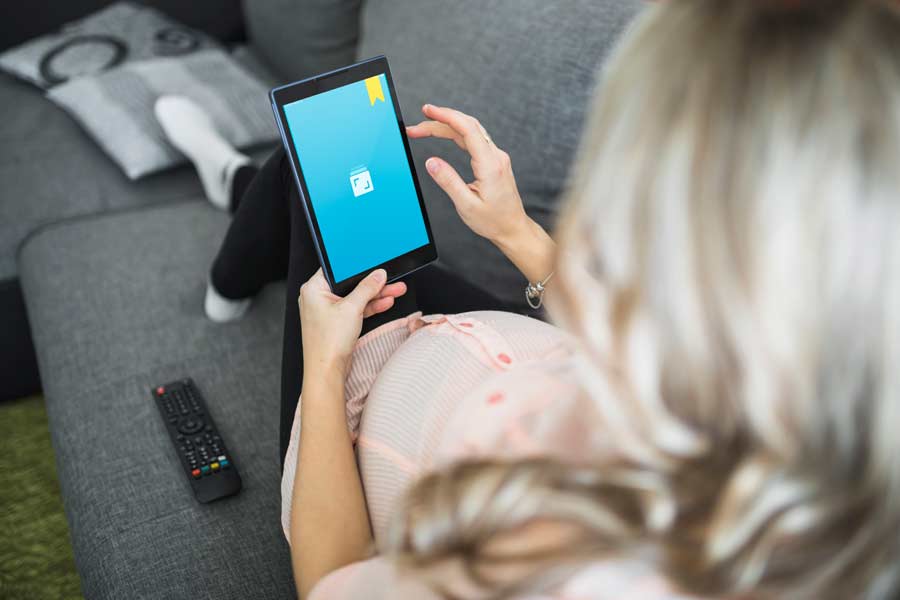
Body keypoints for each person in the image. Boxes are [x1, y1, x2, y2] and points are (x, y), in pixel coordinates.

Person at [157, 0, 900, 597]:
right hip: (488, 336)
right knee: (322, 190)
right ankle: (236, 183)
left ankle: (230, 224)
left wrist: (324, 368)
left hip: (361, 387)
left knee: (305, 188)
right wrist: (516, 232)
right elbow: (640, 323)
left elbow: (332, 581)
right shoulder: (800, 400)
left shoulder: (550, 554)